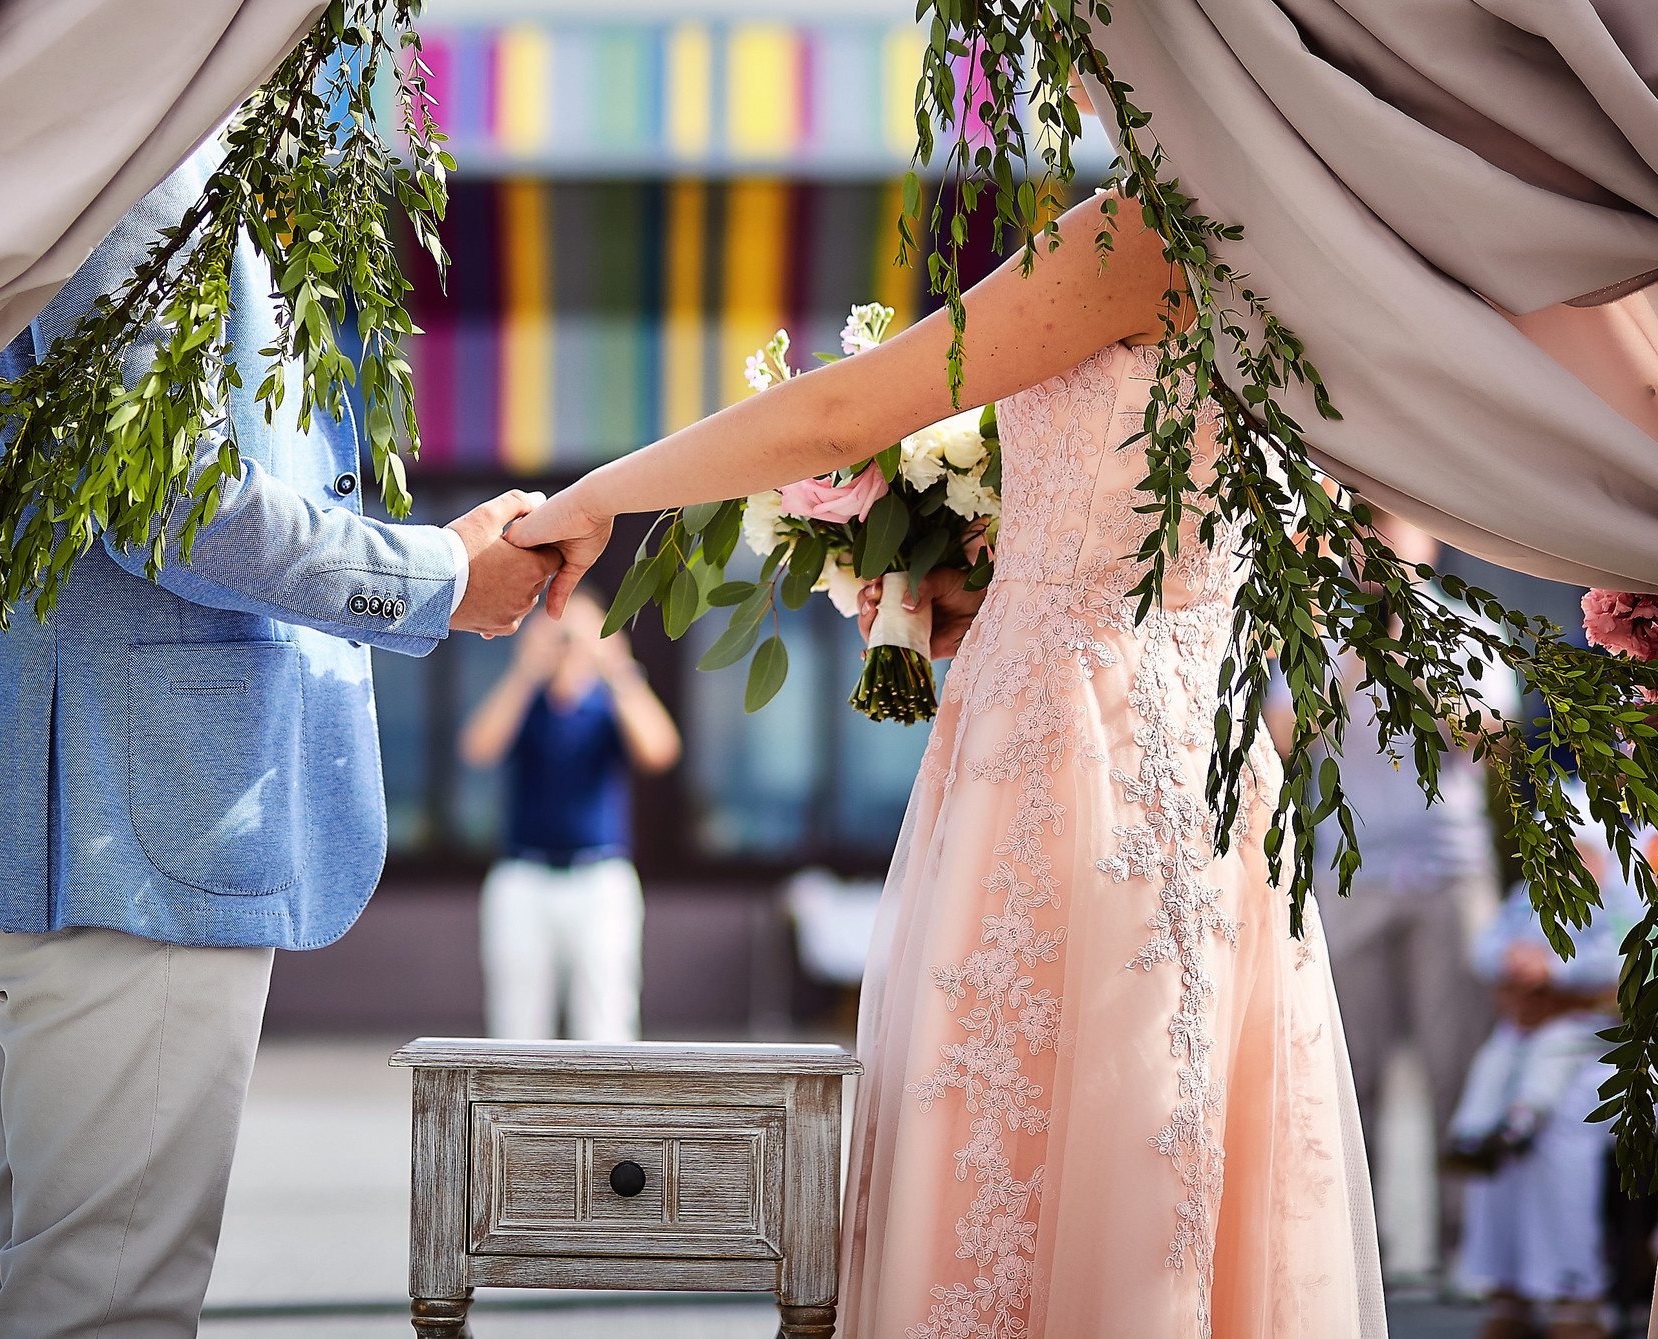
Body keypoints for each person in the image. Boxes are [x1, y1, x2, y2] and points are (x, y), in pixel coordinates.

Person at [511, 194, 1384, 1337]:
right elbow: (1301, 529)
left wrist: (586, 500)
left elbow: (838, 415)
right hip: (1195, 751)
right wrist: (1001, 570)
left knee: (1025, 1130)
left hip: (1069, 755)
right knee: (1150, 1140)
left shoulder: (1142, 227)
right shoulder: (1307, 239)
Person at [0, 137, 561, 1339]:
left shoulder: (57, 136)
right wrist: (438, 573)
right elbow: (172, 501)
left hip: (67, 824)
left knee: (25, 1278)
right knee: (104, 1300)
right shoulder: (136, 160)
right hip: (130, 838)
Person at [1261, 514, 1508, 1276]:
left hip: (1449, 873)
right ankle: (1355, 1256)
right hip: (1351, 874)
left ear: (1431, 543)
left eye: (1400, 533)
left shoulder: (1466, 628)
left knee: (1460, 1066)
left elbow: (1490, 736)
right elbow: (1281, 734)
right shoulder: (1319, 628)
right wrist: (1346, 659)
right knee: (1346, 1067)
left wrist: (1412, 658)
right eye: (1369, 532)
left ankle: (1466, 1251)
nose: (1383, 549)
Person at [1445, 804, 1642, 1339]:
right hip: (1527, 1035)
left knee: (1562, 1131)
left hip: (1600, 1042)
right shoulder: (1530, 896)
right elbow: (1488, 947)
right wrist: (1513, 965)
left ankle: (1574, 1289)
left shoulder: (1627, 893)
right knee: (1495, 1128)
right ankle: (1505, 1284)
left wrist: (1555, 973)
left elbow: (1629, 961)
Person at [457, 591, 680, 1041]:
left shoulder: (608, 706)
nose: (568, 645)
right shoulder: (525, 703)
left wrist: (617, 669)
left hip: (599, 878)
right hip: (523, 875)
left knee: (607, 1014)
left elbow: (661, 751)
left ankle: (605, 1112)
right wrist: (525, 671)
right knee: (515, 1019)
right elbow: (477, 748)